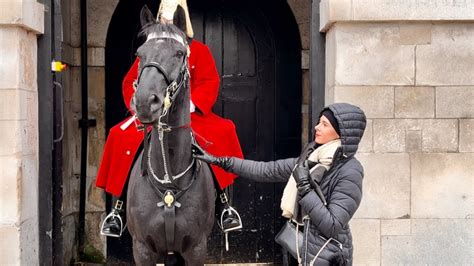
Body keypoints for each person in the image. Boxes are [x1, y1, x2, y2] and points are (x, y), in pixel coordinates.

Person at [96, 0, 244, 237]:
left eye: (170, 21)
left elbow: (209, 82)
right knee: (118, 135)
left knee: (224, 131)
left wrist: (192, 104)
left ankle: (225, 206)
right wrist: (139, 106)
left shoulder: (200, 50)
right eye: (162, 20)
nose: (166, 25)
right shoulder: (152, 49)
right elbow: (130, 82)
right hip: (153, 115)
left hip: (188, 114)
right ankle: (118, 209)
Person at [193, 102, 366, 265]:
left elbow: (332, 225)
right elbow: (266, 170)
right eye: (319, 122)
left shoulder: (349, 171)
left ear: (341, 132)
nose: (316, 128)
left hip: (327, 257)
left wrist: (305, 187)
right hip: (298, 250)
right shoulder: (310, 158)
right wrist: (217, 160)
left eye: (325, 124)